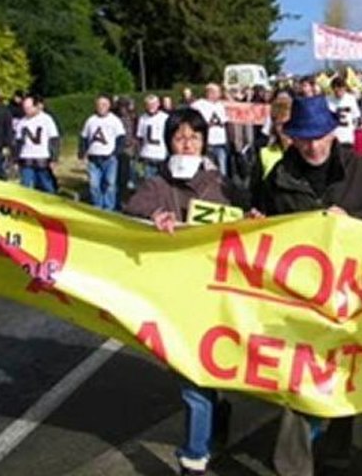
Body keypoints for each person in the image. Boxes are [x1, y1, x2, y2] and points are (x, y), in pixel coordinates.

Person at [256, 96, 362, 476]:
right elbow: (261, 225)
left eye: (319, 135)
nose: (313, 145)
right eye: (304, 137)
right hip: (298, 294)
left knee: (342, 370)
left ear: (333, 132)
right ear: (291, 137)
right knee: (299, 374)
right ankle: (292, 465)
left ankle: (337, 451)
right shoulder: (278, 176)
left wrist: (351, 219)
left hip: (350, 293)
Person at [125, 108, 248, 475]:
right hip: (176, 298)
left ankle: (206, 433)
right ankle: (196, 455)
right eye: (180, 137)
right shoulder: (155, 185)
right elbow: (130, 207)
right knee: (192, 380)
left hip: (216, 295)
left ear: (205, 143)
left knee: (205, 377)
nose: (188, 144)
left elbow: (247, 219)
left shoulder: (221, 185)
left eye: (194, 138)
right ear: (168, 143)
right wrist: (153, 218)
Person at [78, 95, 126, 211]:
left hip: (109, 158)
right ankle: (97, 207)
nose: (101, 107)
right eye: (99, 105)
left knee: (110, 184)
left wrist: (115, 153)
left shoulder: (114, 120)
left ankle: (109, 208)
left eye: (104, 104)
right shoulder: (90, 120)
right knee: (94, 185)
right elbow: (83, 137)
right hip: (93, 159)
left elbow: (121, 138)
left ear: (109, 106)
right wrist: (82, 152)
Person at [248, 94, 292, 208]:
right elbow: (254, 193)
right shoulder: (265, 154)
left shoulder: (308, 153)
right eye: (280, 124)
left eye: (289, 123)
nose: (285, 129)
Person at [15, 94, 60, 194]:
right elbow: (18, 142)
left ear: (36, 106)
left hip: (42, 157)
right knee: (25, 186)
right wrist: (16, 159)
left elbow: (54, 139)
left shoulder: (46, 119)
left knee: (46, 185)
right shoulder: (22, 122)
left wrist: (54, 158)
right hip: (26, 158)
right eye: (25, 108)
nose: (27, 111)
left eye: (29, 108)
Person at [191, 83, 230, 177]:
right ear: (210, 93)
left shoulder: (220, 105)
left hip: (220, 142)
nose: (219, 94)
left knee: (222, 169)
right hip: (208, 142)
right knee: (207, 169)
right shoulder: (198, 104)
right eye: (217, 92)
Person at [136, 95, 170, 181]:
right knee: (149, 184)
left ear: (158, 104)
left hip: (161, 155)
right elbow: (140, 137)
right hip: (147, 155)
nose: (151, 107)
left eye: (153, 104)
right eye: (149, 104)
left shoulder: (165, 118)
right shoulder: (142, 118)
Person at [326, 76, 361, 151]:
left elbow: (356, 116)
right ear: (333, 89)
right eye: (336, 88)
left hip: (347, 137)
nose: (339, 91)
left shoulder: (350, 99)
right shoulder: (327, 100)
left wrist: (353, 129)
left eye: (341, 88)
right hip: (333, 137)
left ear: (345, 88)